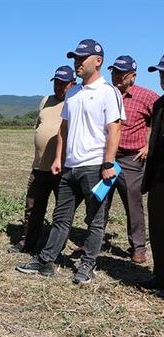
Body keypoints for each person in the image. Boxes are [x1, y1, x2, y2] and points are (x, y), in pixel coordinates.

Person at [16, 39, 125, 284]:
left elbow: (114, 129)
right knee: (61, 217)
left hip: (95, 168)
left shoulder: (109, 92)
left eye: (81, 58)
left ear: (98, 61)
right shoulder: (73, 93)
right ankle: (45, 262)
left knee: (95, 221)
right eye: (75, 58)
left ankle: (87, 266)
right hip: (69, 167)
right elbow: (64, 128)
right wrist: (57, 158)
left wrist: (108, 164)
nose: (76, 62)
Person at [8, 66, 76, 254]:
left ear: (73, 83)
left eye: (63, 84)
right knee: (33, 206)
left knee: (62, 211)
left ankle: (56, 247)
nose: (59, 87)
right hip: (39, 166)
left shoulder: (77, 101)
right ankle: (27, 242)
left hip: (63, 167)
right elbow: (39, 126)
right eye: (56, 83)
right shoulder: (45, 101)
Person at [105, 55, 158, 263]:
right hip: (107, 157)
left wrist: (149, 144)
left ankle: (138, 247)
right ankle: (95, 239)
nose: (116, 76)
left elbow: (159, 117)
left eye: (121, 73)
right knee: (100, 201)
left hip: (131, 159)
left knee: (133, 204)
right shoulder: (106, 94)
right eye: (114, 72)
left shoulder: (146, 97)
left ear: (133, 76)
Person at [140, 55, 164, 290]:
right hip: (158, 177)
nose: (162, 77)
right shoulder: (159, 104)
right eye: (160, 73)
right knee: (157, 228)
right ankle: (160, 274)